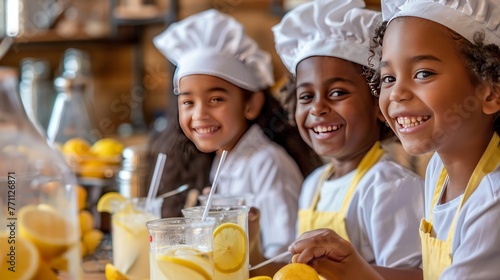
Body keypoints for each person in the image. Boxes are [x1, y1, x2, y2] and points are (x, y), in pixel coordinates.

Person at [288, 0, 500, 279]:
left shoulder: (492, 201)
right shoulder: (439, 171)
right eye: (388, 78)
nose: (397, 93)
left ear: (490, 91)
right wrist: (354, 268)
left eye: (423, 73)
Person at [257, 0, 425, 277]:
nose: (317, 108)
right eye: (306, 96)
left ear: (376, 102)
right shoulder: (314, 184)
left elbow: (416, 276)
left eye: (337, 93)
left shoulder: (389, 186)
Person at [153, 9, 322, 260]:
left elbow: (286, 257)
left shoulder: (267, 164)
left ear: (251, 104)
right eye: (188, 102)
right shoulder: (218, 160)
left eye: (216, 99)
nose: (199, 114)